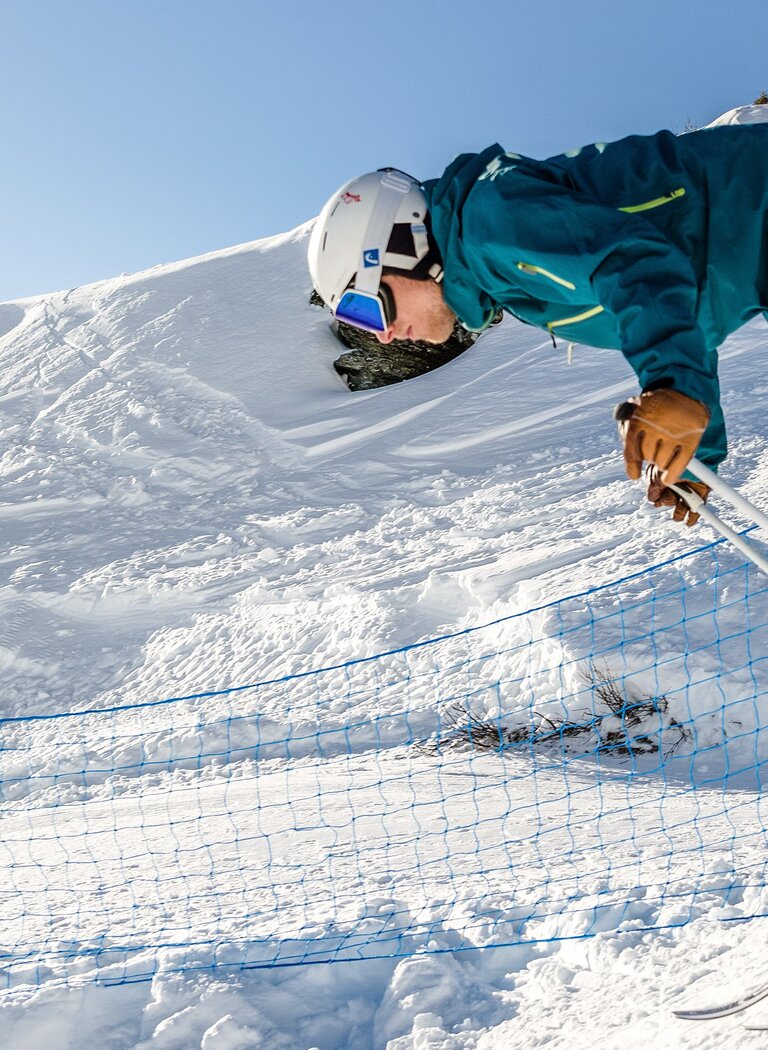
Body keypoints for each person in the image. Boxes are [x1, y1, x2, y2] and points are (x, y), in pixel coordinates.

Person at [307, 125, 768, 525]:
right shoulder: (504, 276)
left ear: (401, 246)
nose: (382, 334)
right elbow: (678, 311)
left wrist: (675, 388)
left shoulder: (493, 222)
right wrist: (692, 456)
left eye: (366, 309)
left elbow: (633, 263)